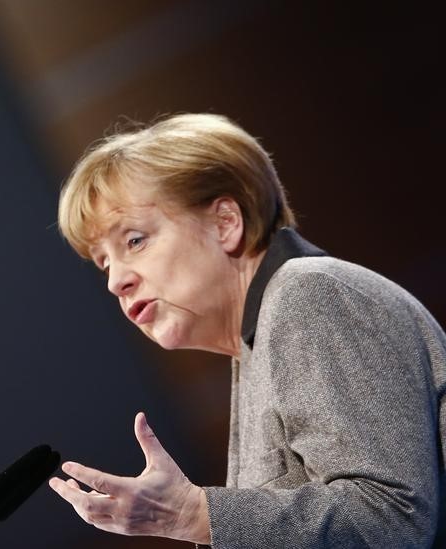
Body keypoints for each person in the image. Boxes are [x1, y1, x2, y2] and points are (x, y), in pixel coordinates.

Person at [48, 113, 446, 547]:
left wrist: (192, 515)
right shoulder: (255, 344)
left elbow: (390, 518)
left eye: (135, 240)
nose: (115, 280)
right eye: (104, 261)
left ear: (225, 223)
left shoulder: (309, 293)